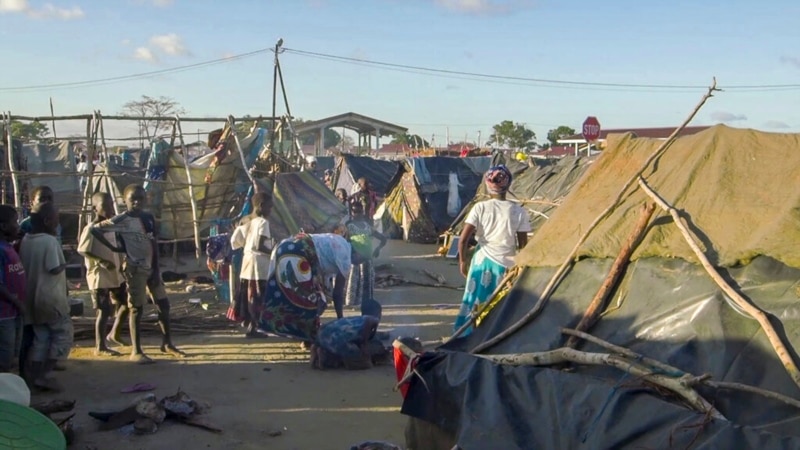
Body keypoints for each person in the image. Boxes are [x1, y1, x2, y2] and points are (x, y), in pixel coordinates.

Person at [91, 184, 184, 364]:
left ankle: (167, 343)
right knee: (136, 309)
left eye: (140, 198)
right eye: (132, 199)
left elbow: (153, 244)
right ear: (124, 201)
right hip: (135, 270)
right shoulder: (121, 220)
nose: (137, 202)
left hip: (151, 268)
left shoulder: (148, 218)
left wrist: (156, 269)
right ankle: (136, 350)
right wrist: (116, 247)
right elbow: (95, 229)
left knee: (163, 305)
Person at [455, 165, 531, 335]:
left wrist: (462, 261)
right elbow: (523, 246)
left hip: (482, 261)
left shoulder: (480, 208)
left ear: (488, 184)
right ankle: (494, 335)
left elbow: (463, 240)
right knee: (499, 302)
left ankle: (469, 334)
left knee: (475, 299)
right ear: (508, 184)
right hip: (506, 263)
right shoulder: (519, 211)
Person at [258, 233, 352, 346]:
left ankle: (299, 333)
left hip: (286, 246)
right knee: (309, 298)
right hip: (298, 252)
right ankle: (306, 337)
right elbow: (338, 293)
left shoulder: (339, 241)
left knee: (296, 295)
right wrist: (340, 319)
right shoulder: (345, 257)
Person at [18, 202, 73, 391]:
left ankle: (32, 378)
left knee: (40, 339)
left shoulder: (26, 239)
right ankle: (45, 374)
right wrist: (67, 262)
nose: (58, 222)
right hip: (50, 300)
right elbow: (54, 267)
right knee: (62, 336)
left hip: (32, 299)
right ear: (48, 221)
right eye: (57, 219)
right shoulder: (49, 242)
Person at [77, 193, 126, 356]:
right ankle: (100, 346)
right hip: (99, 276)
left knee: (126, 303)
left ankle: (114, 334)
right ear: (95, 209)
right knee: (104, 311)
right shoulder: (91, 228)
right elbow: (82, 250)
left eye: (112, 205)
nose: (111, 209)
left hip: (115, 275)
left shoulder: (110, 226)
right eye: (106, 206)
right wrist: (101, 261)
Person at [227, 192, 274, 338]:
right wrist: (274, 249)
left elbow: (236, 241)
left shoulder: (246, 220)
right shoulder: (263, 222)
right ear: (261, 206)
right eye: (269, 207)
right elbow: (261, 244)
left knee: (248, 293)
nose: (271, 210)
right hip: (259, 264)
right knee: (258, 295)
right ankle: (253, 328)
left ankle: (248, 323)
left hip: (247, 262)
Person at [310, 298, 388, 370]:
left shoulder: (357, 321)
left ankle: (322, 351)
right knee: (364, 363)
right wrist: (365, 357)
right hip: (336, 339)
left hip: (323, 333)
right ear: (378, 313)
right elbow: (365, 341)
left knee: (340, 346)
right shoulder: (372, 319)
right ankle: (326, 358)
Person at [344, 199, 387, 307]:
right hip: (354, 261)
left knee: (366, 282)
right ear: (351, 213)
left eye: (359, 211)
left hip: (367, 259)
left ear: (363, 212)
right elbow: (344, 242)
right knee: (354, 284)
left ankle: (365, 303)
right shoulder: (348, 227)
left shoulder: (367, 226)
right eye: (355, 211)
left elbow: (383, 239)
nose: (357, 214)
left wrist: (377, 249)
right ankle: (353, 303)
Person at [0, 205, 26, 373]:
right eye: (15, 222)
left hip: (13, 311)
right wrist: (17, 301)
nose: (18, 225)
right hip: (4, 314)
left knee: (12, 353)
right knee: (5, 354)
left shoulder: (8, 246)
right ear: (3, 226)